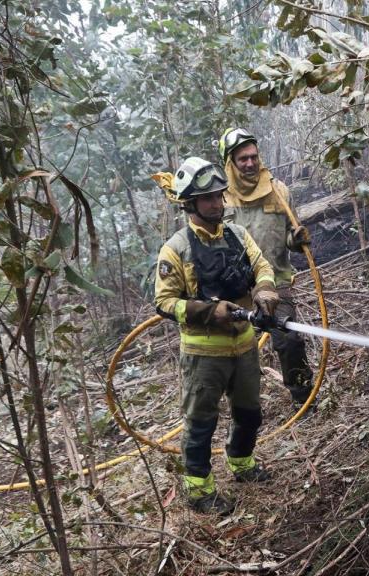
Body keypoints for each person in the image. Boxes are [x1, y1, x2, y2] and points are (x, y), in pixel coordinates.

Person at [153, 156, 282, 515]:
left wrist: (266, 291)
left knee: (250, 413)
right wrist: (210, 312)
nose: (216, 203)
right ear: (190, 203)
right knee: (200, 423)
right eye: (207, 198)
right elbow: (164, 303)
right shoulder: (175, 249)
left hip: (244, 348)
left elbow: (262, 266)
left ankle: (241, 464)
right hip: (203, 355)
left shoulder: (238, 235)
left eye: (219, 196)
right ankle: (199, 491)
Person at [218, 128, 313, 407]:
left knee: (289, 340)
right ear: (230, 163)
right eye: (242, 159)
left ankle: (301, 396)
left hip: (275, 280)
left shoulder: (279, 191)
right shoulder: (220, 199)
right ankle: (240, 404)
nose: (249, 163)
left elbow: (289, 236)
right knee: (232, 347)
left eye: (253, 157)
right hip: (235, 286)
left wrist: (297, 240)